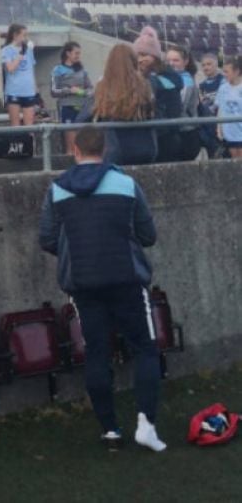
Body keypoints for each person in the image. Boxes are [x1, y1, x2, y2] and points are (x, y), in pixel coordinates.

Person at [39, 126, 165, 453]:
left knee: (97, 352)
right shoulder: (126, 184)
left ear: (75, 150)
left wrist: (76, 251)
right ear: (105, 149)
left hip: (83, 283)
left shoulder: (56, 190)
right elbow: (148, 235)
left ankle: (110, 430)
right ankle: (146, 425)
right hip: (127, 279)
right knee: (145, 349)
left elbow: (48, 239)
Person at [84, 44, 157, 166]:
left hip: (115, 147)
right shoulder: (145, 84)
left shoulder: (102, 86)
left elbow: (87, 115)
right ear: (133, 61)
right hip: (145, 145)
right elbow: (151, 111)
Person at [134, 27, 183, 163]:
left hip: (165, 136)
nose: (140, 59)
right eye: (137, 55)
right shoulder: (134, 75)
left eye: (144, 55)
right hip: (143, 137)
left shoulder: (168, 78)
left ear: (155, 57)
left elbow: (174, 110)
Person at [51, 41, 93, 155]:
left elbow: (91, 90)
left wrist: (82, 92)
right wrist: (69, 90)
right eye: (76, 53)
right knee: (71, 144)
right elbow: (53, 91)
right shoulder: (58, 70)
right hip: (67, 108)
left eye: (79, 53)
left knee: (82, 144)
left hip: (82, 109)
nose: (78, 56)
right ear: (68, 53)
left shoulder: (83, 71)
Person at [165, 46, 201, 160]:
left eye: (176, 60)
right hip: (176, 131)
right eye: (168, 60)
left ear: (185, 62)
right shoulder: (169, 78)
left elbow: (179, 106)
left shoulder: (186, 81)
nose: (171, 63)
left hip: (186, 133)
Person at [1, 23, 36, 126]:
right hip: (14, 91)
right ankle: (17, 142)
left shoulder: (29, 50)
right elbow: (10, 68)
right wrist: (20, 54)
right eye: (24, 35)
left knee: (29, 124)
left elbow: (31, 69)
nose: (26, 38)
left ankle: (30, 142)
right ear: (15, 35)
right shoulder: (6, 50)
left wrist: (35, 88)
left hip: (28, 91)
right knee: (15, 125)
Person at [198, 52, 225, 156]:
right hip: (209, 121)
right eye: (203, 65)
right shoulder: (202, 85)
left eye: (209, 64)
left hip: (221, 118)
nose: (206, 67)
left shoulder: (223, 81)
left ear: (216, 64)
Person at [216, 55, 242, 159]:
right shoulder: (223, 88)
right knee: (234, 160)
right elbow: (221, 109)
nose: (224, 74)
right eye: (224, 71)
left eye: (227, 72)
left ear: (237, 72)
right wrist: (219, 127)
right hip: (229, 131)